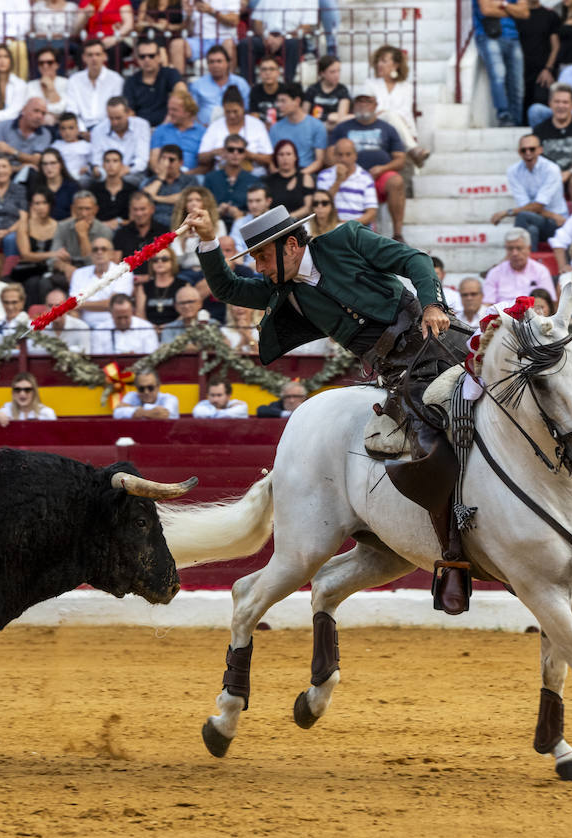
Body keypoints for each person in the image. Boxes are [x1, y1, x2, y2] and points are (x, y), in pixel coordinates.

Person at [187, 202, 473, 612]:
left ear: (290, 245)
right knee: (426, 443)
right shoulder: (282, 291)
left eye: (262, 256)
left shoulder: (346, 239)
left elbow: (415, 260)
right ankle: (453, 555)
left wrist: (433, 304)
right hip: (400, 375)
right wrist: (207, 239)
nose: (259, 266)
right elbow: (229, 289)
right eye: (253, 258)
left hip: (439, 341)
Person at [325, 93, 407, 239]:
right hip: (349, 176)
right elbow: (330, 155)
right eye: (359, 102)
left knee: (396, 181)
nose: (362, 105)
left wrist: (383, 168)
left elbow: (400, 159)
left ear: (375, 105)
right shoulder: (342, 128)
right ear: (353, 105)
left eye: (367, 102)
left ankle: (397, 234)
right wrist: (345, 168)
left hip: (379, 176)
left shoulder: (387, 128)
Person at [490, 134, 566, 250]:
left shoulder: (551, 169)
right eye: (523, 150)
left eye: (532, 149)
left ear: (540, 150)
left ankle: (512, 255)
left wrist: (507, 212)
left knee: (524, 216)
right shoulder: (513, 171)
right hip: (545, 218)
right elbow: (528, 207)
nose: (528, 153)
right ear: (519, 152)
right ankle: (526, 263)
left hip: (557, 224)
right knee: (531, 230)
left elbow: (536, 206)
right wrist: (551, 215)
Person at [361, 45, 428, 166]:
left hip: (401, 125)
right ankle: (414, 149)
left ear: (395, 65)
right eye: (378, 61)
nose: (379, 65)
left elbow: (405, 111)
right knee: (390, 115)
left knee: (391, 116)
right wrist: (385, 113)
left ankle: (411, 150)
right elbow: (368, 109)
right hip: (377, 125)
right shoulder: (370, 84)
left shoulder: (406, 86)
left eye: (384, 61)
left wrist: (386, 113)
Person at [531, 83, 572, 200]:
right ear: (550, 104)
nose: (561, 106)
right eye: (557, 102)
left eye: (565, 102)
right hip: (550, 177)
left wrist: (569, 172)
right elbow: (536, 159)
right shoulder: (540, 130)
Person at [472, 0, 527, 127]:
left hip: (513, 38)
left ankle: (516, 119)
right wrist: (512, 10)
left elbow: (524, 13)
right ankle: (504, 116)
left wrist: (503, 5)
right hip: (488, 35)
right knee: (498, 75)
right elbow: (486, 10)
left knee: (517, 82)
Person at [72, 239, 136, 328]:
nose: (99, 252)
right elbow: (72, 304)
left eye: (104, 249)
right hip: (84, 326)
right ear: (91, 254)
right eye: (95, 249)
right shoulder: (79, 273)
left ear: (112, 254)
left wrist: (80, 304)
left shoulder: (124, 272)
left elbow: (115, 304)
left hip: (113, 326)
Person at [123, 37, 185, 128]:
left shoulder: (170, 73)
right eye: (142, 56)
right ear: (137, 59)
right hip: (141, 130)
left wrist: (169, 119)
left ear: (159, 57)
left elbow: (181, 91)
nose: (147, 60)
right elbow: (129, 112)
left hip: (170, 126)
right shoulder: (131, 82)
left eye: (151, 56)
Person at [66, 40, 124, 133]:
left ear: (104, 56)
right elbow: (72, 110)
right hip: (80, 131)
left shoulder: (116, 80)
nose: (94, 58)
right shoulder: (74, 80)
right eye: (90, 55)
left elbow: (115, 110)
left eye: (98, 54)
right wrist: (82, 130)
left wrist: (98, 132)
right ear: (84, 58)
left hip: (108, 130)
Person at [268, 83, 326, 176]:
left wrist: (298, 176)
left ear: (297, 101)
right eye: (278, 101)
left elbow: (319, 161)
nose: (279, 105)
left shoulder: (316, 126)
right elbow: (270, 159)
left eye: (283, 101)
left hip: (306, 172)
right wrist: (278, 175)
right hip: (281, 173)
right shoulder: (275, 128)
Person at [204, 133, 262, 226]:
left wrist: (241, 214)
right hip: (214, 225)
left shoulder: (254, 180)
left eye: (240, 150)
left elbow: (260, 210)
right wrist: (217, 211)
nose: (235, 153)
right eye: (231, 150)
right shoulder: (211, 178)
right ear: (224, 152)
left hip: (245, 225)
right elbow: (203, 207)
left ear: (244, 154)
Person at [484, 227, 555, 302]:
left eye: (519, 248)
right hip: (502, 313)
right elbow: (488, 303)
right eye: (510, 249)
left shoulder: (541, 271)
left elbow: (548, 303)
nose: (514, 253)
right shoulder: (495, 273)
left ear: (529, 248)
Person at [89, 97, 150, 179]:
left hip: (132, 173)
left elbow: (142, 159)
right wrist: (99, 171)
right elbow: (97, 160)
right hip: (107, 175)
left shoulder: (141, 126)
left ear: (128, 113)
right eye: (111, 118)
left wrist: (127, 170)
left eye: (118, 118)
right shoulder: (98, 130)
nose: (115, 122)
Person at [189, 44, 248, 124]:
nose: (215, 65)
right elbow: (191, 112)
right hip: (205, 130)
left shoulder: (240, 83)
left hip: (235, 129)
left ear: (228, 63)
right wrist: (200, 127)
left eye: (219, 61)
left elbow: (247, 110)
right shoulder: (197, 85)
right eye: (211, 62)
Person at [150, 89, 206, 174]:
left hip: (191, 177)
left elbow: (206, 166)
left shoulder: (202, 133)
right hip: (163, 175)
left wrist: (182, 177)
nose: (170, 113)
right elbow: (153, 160)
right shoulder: (161, 130)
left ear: (188, 112)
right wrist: (162, 175)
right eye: (169, 109)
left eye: (174, 110)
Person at [142, 143, 197, 226]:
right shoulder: (152, 181)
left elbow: (183, 198)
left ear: (181, 162)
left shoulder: (189, 180)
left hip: (181, 225)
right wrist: (161, 177)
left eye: (171, 160)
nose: (166, 163)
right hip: (154, 226)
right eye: (163, 159)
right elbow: (144, 198)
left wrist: (156, 198)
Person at [137, 245, 188, 326]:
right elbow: (140, 314)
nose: (159, 262)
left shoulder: (183, 285)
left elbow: (187, 312)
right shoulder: (143, 287)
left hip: (176, 329)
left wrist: (167, 328)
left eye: (164, 259)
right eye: (155, 260)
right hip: (149, 331)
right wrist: (152, 328)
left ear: (172, 262)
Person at [93, 294, 160, 354]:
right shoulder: (100, 330)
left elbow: (151, 357)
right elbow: (98, 359)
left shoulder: (146, 327)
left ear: (132, 312)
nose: (123, 321)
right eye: (119, 318)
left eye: (126, 317)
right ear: (111, 313)